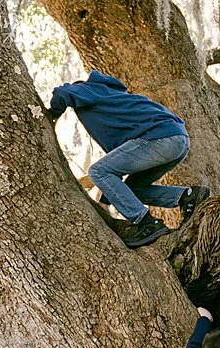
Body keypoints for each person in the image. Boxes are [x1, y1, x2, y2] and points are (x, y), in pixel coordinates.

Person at [45, 70, 209, 247]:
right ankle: (186, 195)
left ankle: (146, 224)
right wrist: (105, 200)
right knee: (133, 189)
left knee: (97, 171)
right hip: (178, 140)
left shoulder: (89, 89)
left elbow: (62, 93)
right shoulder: (116, 98)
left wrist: (53, 115)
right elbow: (118, 177)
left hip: (158, 138)